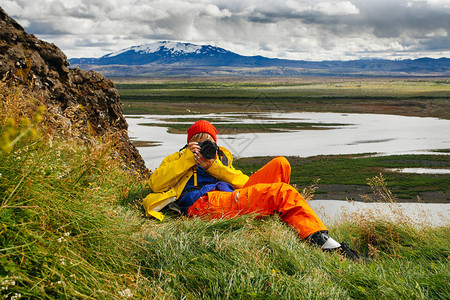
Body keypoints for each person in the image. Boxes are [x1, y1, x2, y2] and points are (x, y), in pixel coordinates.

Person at [143, 120, 362, 260]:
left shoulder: (221, 159)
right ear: (189, 143)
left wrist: (215, 166)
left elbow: (243, 182)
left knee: (280, 164)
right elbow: (155, 184)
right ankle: (324, 244)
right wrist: (188, 158)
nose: (203, 147)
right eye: (197, 142)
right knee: (280, 192)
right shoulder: (177, 157)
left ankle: (282, 217)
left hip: (228, 196)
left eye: (208, 142)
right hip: (203, 203)